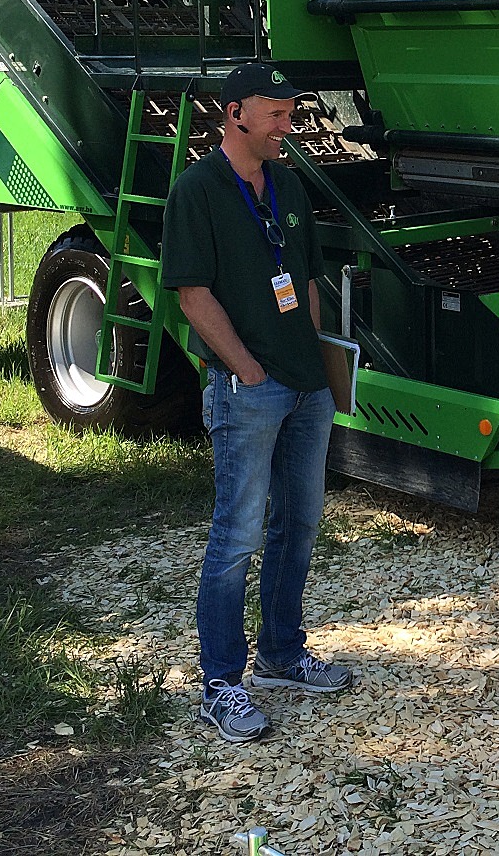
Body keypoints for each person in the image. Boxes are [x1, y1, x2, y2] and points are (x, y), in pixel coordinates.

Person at [161, 61, 352, 744]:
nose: (288, 126)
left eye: (291, 113)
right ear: (236, 112)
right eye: (277, 114)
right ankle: (220, 684)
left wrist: (322, 362)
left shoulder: (288, 182)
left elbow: (304, 277)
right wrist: (244, 368)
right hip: (250, 388)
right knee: (237, 534)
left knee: (298, 525)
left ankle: (280, 652)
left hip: (307, 388)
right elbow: (192, 293)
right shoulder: (199, 190)